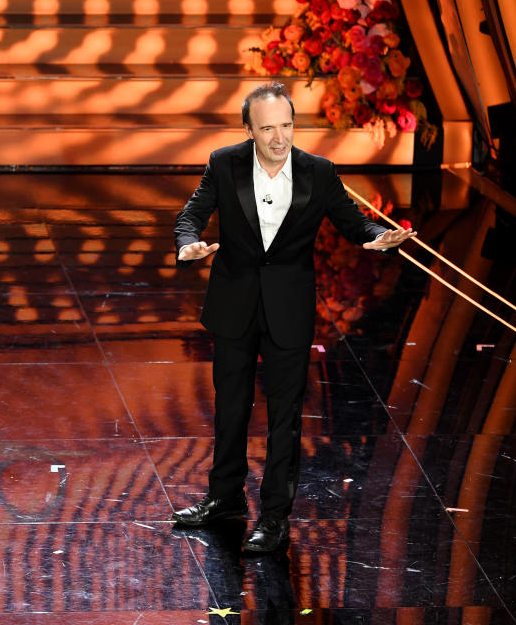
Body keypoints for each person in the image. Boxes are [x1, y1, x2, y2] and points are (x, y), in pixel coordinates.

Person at [171, 82, 414, 553]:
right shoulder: (225, 163)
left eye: (286, 125)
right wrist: (188, 245)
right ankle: (224, 499)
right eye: (267, 128)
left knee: (285, 417)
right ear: (248, 130)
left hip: (289, 308)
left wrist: (376, 236)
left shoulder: (318, 172)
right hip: (235, 303)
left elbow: (350, 219)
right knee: (231, 408)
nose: (279, 137)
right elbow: (191, 214)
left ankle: (275, 518)